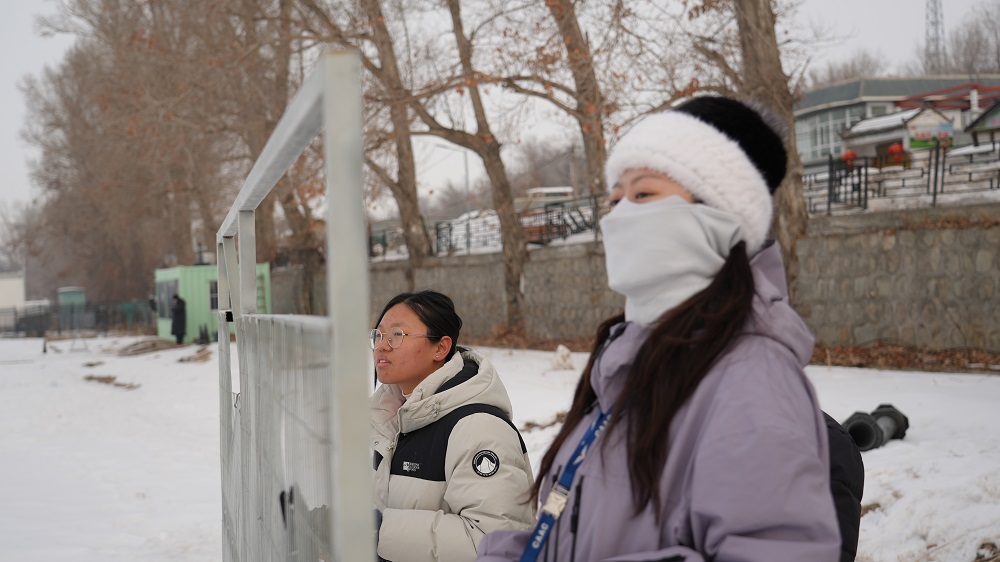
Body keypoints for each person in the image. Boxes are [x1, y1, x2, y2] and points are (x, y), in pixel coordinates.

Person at [477, 96, 842, 562]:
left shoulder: (750, 377)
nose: (621, 215)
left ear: (719, 214)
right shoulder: (623, 367)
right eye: (614, 199)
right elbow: (566, 532)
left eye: (644, 193)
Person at [370, 290, 535, 562]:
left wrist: (378, 531)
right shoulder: (390, 421)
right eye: (378, 334)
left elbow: (494, 542)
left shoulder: (479, 429)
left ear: (441, 348)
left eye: (397, 335)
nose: (382, 345)